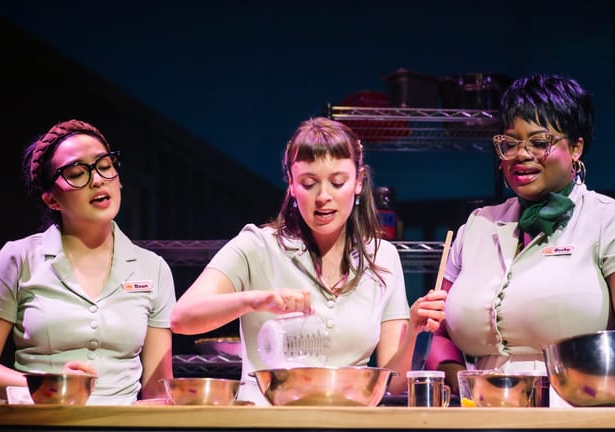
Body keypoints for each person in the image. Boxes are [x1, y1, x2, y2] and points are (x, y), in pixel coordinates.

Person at [426, 74, 615, 428]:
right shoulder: (477, 226)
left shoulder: (611, 220)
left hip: (591, 413)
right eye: (510, 143)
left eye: (540, 142)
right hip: (492, 417)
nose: (522, 155)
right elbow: (436, 330)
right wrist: (462, 386)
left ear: (577, 148)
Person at [171, 117, 446, 405]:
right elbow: (181, 318)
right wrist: (256, 300)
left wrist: (414, 327)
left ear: (358, 182)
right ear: (291, 184)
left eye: (338, 182)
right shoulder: (257, 246)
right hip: (267, 422)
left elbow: (396, 382)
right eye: (309, 183)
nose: (323, 197)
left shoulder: (382, 257)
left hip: (350, 421)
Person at [0, 119, 176, 405]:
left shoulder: (154, 268)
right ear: (51, 200)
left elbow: (157, 390)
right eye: (77, 173)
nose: (97, 180)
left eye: (104, 166)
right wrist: (50, 387)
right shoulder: (19, 257)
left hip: (119, 424)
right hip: (35, 421)